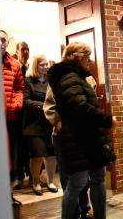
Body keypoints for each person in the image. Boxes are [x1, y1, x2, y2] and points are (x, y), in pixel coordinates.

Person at [47, 42, 115, 219]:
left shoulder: (83, 77)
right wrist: (105, 119)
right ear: (77, 57)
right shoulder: (67, 77)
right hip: (76, 138)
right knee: (77, 183)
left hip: (90, 136)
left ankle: (98, 215)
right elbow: (77, 106)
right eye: (87, 57)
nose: (90, 61)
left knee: (98, 178)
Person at [44, 75, 97, 218]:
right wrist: (58, 122)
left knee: (84, 175)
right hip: (63, 136)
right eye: (85, 58)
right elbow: (49, 106)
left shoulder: (89, 79)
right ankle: (73, 213)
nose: (88, 62)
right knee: (68, 177)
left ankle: (84, 208)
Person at [22, 54, 58, 195]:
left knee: (51, 155)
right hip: (34, 124)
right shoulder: (28, 81)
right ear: (35, 66)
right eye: (42, 65)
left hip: (49, 122)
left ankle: (50, 181)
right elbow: (26, 101)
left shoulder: (51, 80)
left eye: (46, 64)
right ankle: (36, 182)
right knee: (37, 155)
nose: (45, 67)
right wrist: (43, 106)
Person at [0, 29, 24, 207]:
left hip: (10, 119)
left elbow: (19, 88)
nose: (0, 43)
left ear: (7, 43)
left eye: (3, 40)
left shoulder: (14, 64)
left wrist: (16, 103)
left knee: (11, 161)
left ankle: (8, 195)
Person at [14, 41, 31, 189]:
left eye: (27, 49)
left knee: (28, 144)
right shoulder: (15, 67)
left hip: (29, 112)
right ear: (17, 51)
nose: (25, 52)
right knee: (18, 145)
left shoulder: (30, 67)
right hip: (18, 112)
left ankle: (32, 175)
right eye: (23, 49)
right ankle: (19, 175)